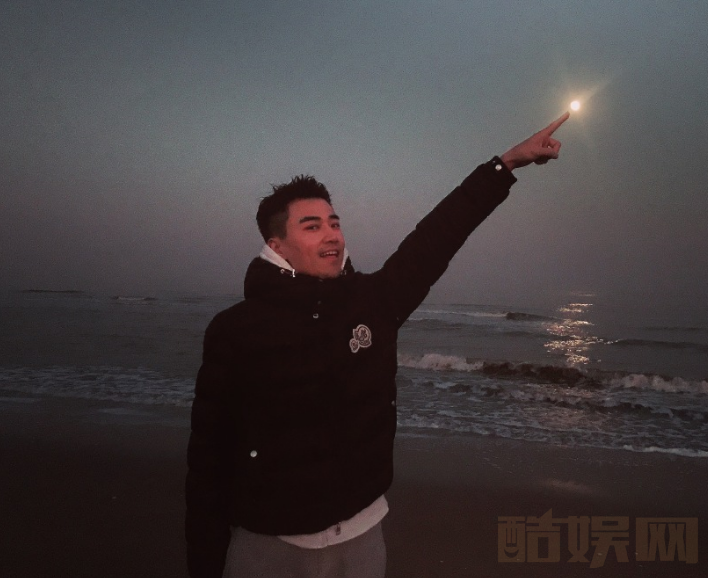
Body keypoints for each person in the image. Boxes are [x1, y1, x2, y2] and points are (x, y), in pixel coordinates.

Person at [185, 112, 570, 578]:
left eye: (334, 222)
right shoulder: (236, 331)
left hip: (362, 539)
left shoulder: (372, 303)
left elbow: (436, 238)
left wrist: (504, 165)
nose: (332, 234)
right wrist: (205, 564)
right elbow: (208, 461)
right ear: (277, 245)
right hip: (270, 544)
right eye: (312, 226)